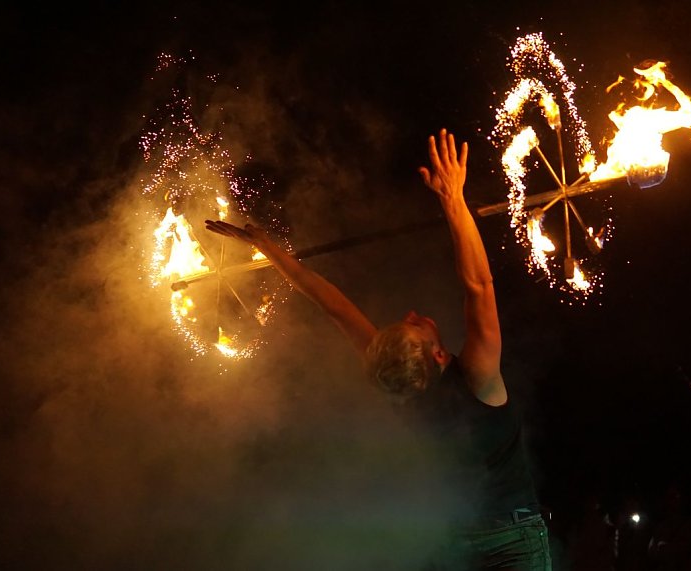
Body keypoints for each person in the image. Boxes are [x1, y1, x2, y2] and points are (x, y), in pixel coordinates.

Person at [205, 128, 552, 570]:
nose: (413, 313)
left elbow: (332, 305)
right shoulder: (480, 380)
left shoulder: (401, 386)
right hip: (513, 542)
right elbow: (479, 286)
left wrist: (267, 248)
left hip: (454, 546)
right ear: (437, 355)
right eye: (416, 326)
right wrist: (452, 200)